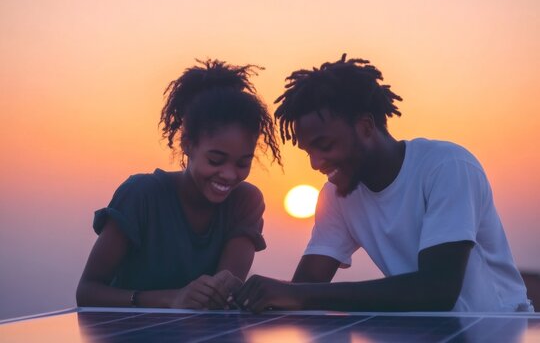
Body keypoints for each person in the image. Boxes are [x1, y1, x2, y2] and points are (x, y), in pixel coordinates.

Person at [235, 54, 533, 313]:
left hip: (498, 326)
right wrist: (255, 295)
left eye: (324, 145)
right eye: (308, 151)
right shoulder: (337, 196)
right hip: (427, 332)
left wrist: (297, 295)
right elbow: (308, 284)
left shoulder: (447, 167)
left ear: (365, 126)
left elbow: (438, 290)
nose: (315, 163)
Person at [76, 59, 281, 309]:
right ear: (187, 144)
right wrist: (172, 298)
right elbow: (87, 291)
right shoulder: (141, 195)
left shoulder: (245, 201)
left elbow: (221, 293)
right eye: (216, 160)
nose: (229, 175)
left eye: (242, 163)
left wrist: (221, 291)